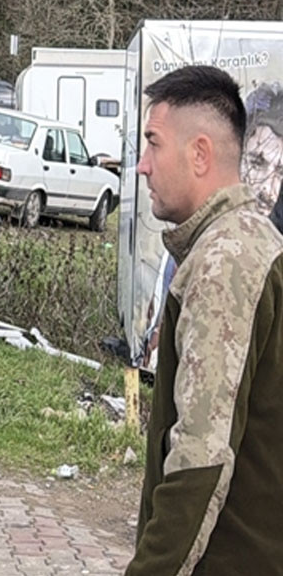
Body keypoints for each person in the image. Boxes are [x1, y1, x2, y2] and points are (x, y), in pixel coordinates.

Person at [127, 64, 283, 575]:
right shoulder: (250, 244)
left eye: (153, 143)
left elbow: (201, 459)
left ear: (199, 154)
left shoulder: (226, 262)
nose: (142, 166)